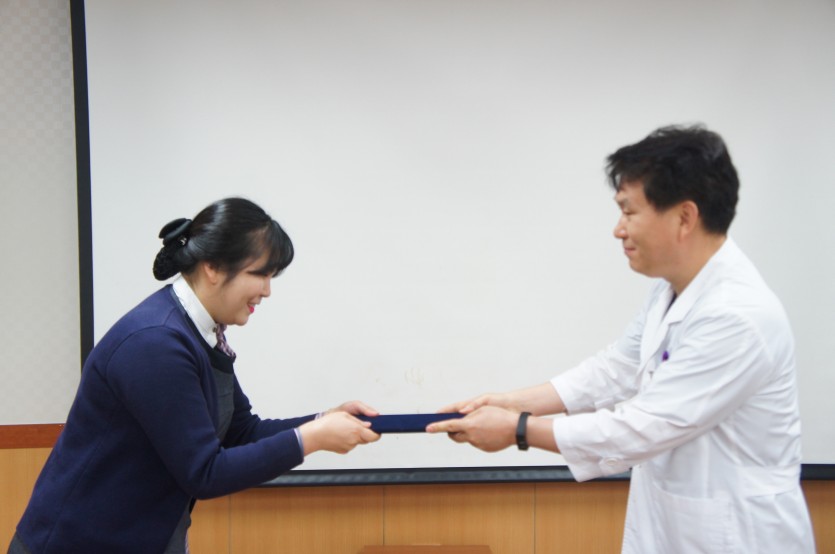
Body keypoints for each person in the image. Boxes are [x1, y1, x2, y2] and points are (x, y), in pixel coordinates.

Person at [427, 125, 815, 553]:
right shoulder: (672, 289)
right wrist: (510, 403)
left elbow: (642, 427)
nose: (618, 230)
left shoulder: (738, 315)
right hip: (676, 526)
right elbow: (616, 369)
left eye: (629, 212)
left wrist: (518, 429)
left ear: (685, 217)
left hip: (739, 536)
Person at [9, 197, 380, 554]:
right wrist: (312, 438)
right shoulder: (155, 343)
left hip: (146, 537)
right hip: (80, 543)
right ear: (213, 267)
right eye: (259, 274)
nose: (267, 291)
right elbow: (205, 472)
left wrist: (322, 420)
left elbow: (241, 432)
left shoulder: (201, 333)